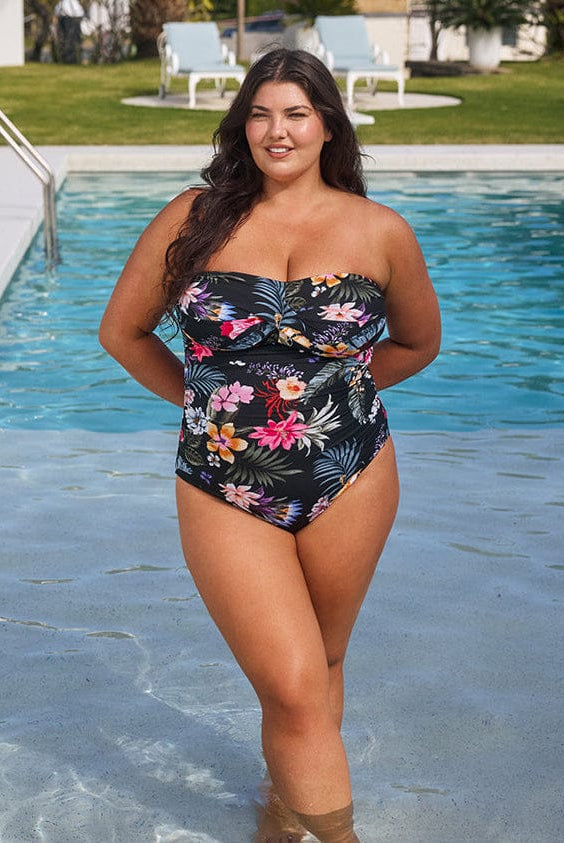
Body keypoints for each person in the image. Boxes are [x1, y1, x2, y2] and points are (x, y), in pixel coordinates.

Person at [99, 48, 440, 843]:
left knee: (318, 667)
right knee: (291, 683)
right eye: (260, 112)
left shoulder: (379, 229)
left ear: (327, 124)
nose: (276, 130)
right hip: (222, 478)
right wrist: (207, 403)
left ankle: (284, 817)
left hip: (351, 472)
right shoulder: (193, 215)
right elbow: (123, 333)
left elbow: (417, 344)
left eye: (295, 112)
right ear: (241, 123)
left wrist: (333, 398)